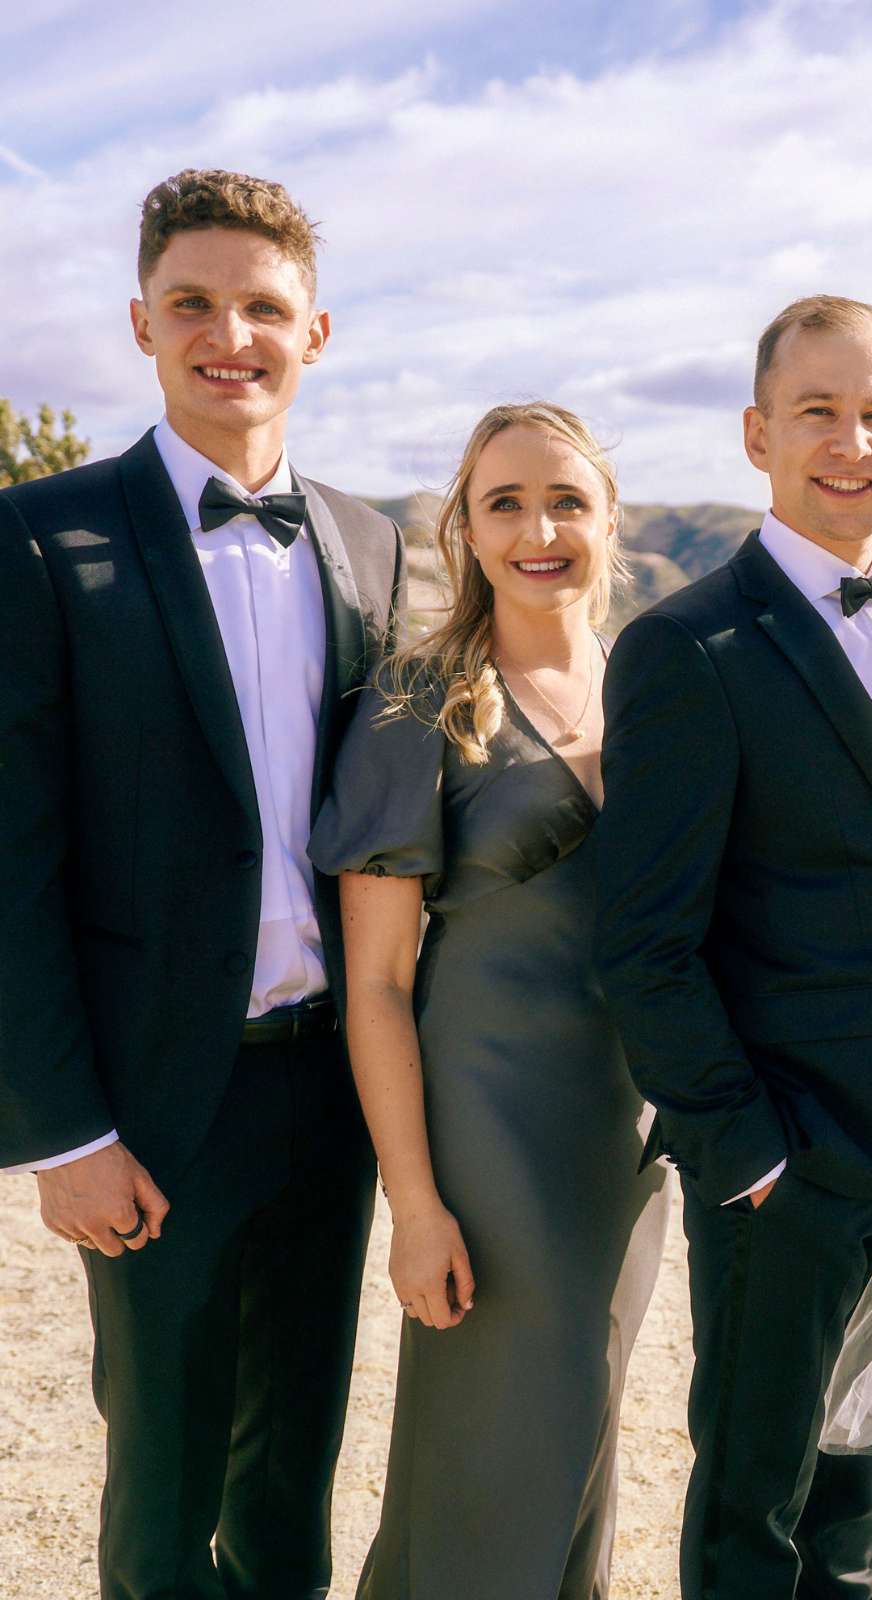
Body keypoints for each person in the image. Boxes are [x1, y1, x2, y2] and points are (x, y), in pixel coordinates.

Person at [0, 169, 406, 1597]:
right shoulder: (43, 540)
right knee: (162, 1479)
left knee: (295, 1467)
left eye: (263, 307)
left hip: (332, 1087)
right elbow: (11, 864)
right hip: (158, 1099)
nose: (229, 334)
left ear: (318, 331)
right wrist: (60, 1134)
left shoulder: (371, 541)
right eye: (193, 304)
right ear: (141, 323)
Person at [593, 295, 872, 1600]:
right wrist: (746, 1153)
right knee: (752, 1514)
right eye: (818, 411)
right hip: (782, 1163)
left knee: (857, 1496)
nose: (849, 440)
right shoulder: (687, 648)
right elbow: (641, 943)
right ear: (758, 432)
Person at [308, 402, 672, 1598]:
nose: (538, 528)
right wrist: (414, 1205)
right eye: (504, 502)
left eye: (566, 498)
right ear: (464, 526)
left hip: (625, 1139)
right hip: (486, 1133)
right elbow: (374, 983)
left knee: (582, 1445)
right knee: (492, 1451)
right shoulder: (418, 703)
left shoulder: (660, 693)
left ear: (608, 517)